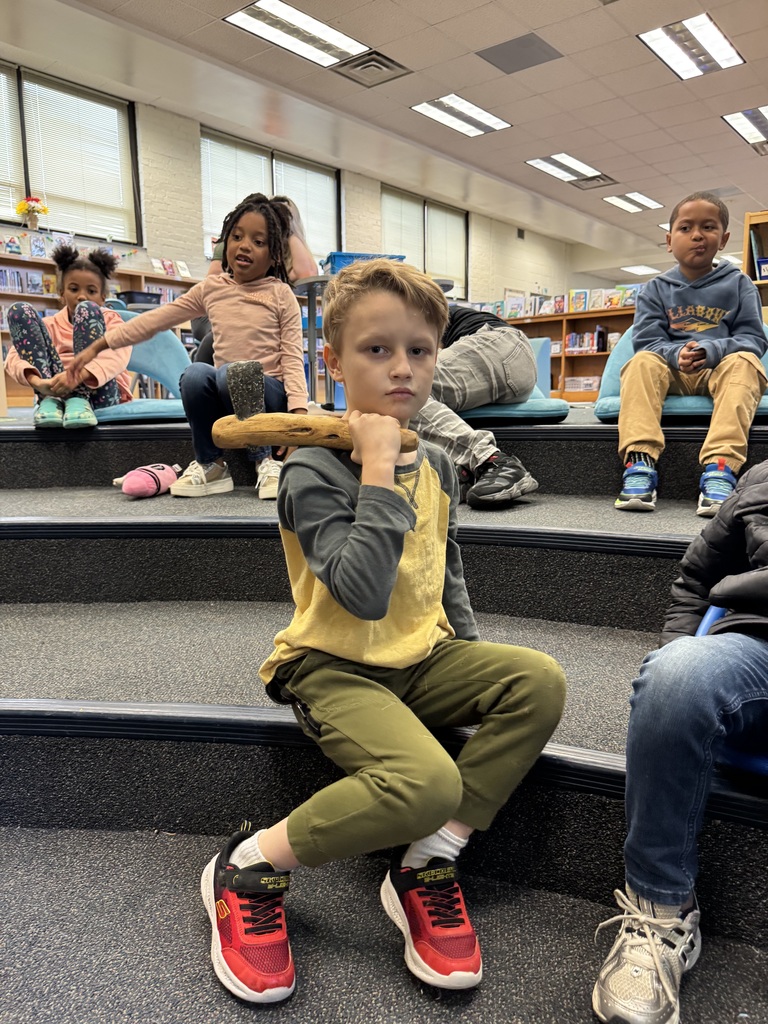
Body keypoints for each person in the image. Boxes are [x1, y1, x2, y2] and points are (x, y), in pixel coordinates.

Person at [200, 259, 566, 1004]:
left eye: (419, 350)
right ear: (333, 362)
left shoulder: (437, 462)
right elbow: (362, 594)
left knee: (537, 680)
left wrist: (466, 662)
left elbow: (443, 569)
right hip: (332, 665)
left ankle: (429, 858)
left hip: (419, 657)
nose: (402, 368)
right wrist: (377, 471)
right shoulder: (311, 470)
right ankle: (249, 865)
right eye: (376, 349)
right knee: (427, 783)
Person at [592, 459, 768, 1024]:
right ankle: (661, 908)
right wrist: (677, 654)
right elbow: (696, 579)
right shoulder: (762, 480)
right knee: (677, 676)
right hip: (758, 645)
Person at [68, 194, 308, 499]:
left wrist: (298, 421)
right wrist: (100, 345)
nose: (245, 246)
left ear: (274, 256)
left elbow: (292, 357)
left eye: (258, 242)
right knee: (195, 373)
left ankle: (265, 461)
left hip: (269, 396)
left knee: (233, 372)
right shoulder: (212, 289)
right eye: (237, 237)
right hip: (228, 394)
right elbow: (155, 320)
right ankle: (211, 464)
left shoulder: (280, 294)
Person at [615, 191, 767, 517]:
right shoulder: (655, 289)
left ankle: (720, 468)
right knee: (640, 363)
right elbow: (647, 341)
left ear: (723, 239)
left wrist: (713, 350)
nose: (697, 235)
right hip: (672, 373)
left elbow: (754, 338)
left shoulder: (740, 284)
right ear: (670, 241)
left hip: (720, 370)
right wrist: (675, 354)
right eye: (686, 228)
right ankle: (640, 461)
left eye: (708, 227)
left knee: (746, 362)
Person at [411, 304, 540, 508]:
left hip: (500, 345)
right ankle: (465, 476)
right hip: (507, 364)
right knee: (396, 394)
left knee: (406, 389)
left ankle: (491, 460)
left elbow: (425, 349)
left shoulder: (409, 307)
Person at [4, 244, 132, 428]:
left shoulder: (111, 320)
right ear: (62, 293)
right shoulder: (50, 324)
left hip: (100, 394)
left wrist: (78, 377)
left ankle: (78, 399)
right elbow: (13, 358)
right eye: (74, 289)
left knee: (87, 311)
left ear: (103, 297)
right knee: (19, 311)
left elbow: (118, 355)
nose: (82, 296)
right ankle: (49, 401)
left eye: (91, 291)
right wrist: (38, 382)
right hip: (56, 392)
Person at [192, 195, 318, 365]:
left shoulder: (282, 253)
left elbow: (307, 274)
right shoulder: (235, 243)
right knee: (224, 333)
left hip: (258, 315)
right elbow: (211, 289)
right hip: (213, 310)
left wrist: (289, 231)